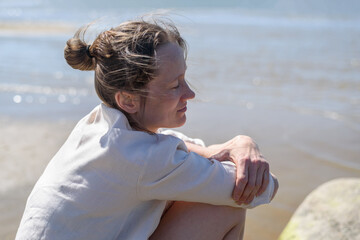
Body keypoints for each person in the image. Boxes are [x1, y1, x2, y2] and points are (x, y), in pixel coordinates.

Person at [16, 17, 278, 240]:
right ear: (128, 99)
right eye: (175, 85)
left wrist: (241, 143)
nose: (190, 93)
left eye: (184, 79)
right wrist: (241, 159)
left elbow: (174, 147)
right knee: (225, 206)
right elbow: (263, 189)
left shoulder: (99, 124)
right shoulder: (144, 159)